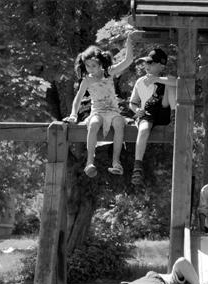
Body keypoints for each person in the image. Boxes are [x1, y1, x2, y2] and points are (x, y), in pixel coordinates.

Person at [65, 32, 138, 178]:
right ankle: (89, 163)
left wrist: (129, 41)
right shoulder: (87, 80)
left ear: (100, 64)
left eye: (93, 65)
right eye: (87, 66)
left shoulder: (109, 72)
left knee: (119, 124)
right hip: (97, 111)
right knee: (93, 124)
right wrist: (73, 114)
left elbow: (128, 60)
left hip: (113, 111)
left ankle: (116, 162)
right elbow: (78, 98)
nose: (90, 69)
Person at [128, 47, 177, 185]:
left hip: (164, 111)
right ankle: (137, 165)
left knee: (171, 81)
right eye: (146, 62)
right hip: (147, 113)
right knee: (143, 129)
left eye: (151, 63)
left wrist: (157, 79)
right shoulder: (140, 81)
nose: (147, 65)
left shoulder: (165, 78)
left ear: (161, 66)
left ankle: (175, 117)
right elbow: (132, 103)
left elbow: (178, 82)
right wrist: (136, 110)